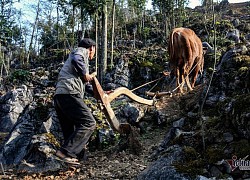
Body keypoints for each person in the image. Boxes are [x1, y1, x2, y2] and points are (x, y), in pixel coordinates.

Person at [53, 38, 96, 166]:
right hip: (69, 93)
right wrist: (85, 74)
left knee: (70, 131)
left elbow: (85, 85)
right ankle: (64, 153)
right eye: (94, 50)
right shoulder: (81, 51)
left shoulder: (76, 66)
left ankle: (72, 159)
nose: (94, 53)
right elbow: (76, 59)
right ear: (91, 48)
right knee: (89, 122)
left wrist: (100, 93)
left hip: (60, 96)